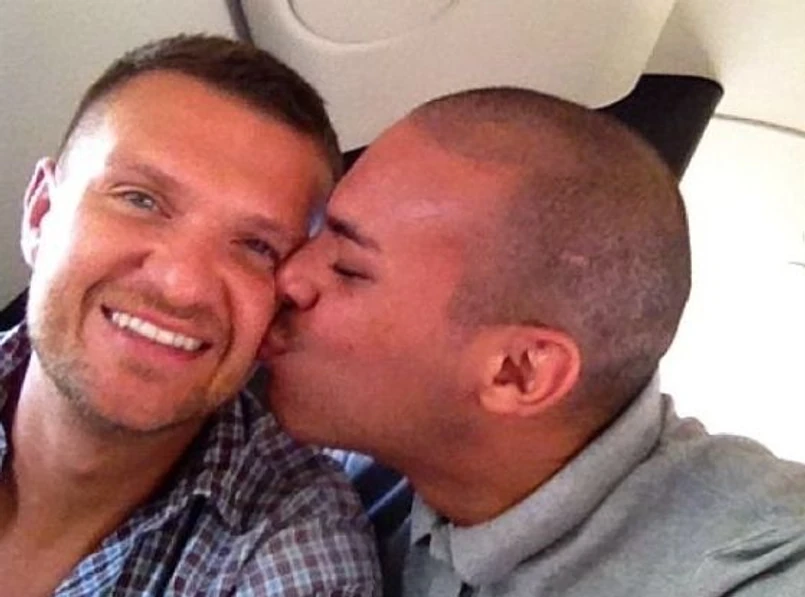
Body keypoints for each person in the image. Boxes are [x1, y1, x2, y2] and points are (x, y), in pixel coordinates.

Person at [265, 87, 805, 596]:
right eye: (318, 230)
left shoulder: (758, 568)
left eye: (348, 268)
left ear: (518, 372)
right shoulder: (376, 472)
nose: (288, 276)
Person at [0, 34, 379, 596]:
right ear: (40, 213)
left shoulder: (293, 549)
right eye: (140, 200)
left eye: (256, 247)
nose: (182, 286)